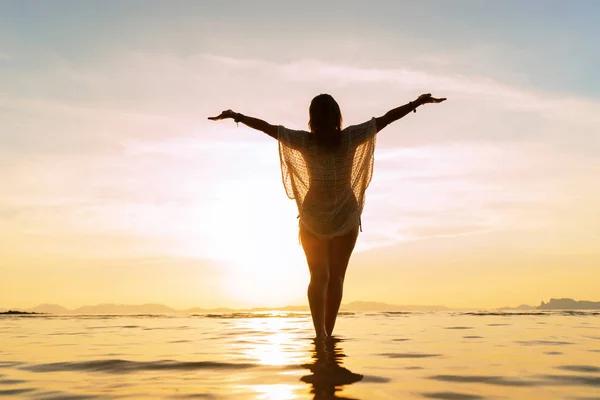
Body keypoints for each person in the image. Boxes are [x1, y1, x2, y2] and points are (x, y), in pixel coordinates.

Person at [209, 93, 446, 338]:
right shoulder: (348, 137)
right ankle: (326, 334)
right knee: (335, 277)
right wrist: (416, 103)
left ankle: (321, 334)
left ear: (312, 118)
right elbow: (386, 119)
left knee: (320, 276)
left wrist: (237, 116)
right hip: (339, 215)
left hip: (319, 216)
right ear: (337, 116)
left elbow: (269, 128)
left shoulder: (307, 140)